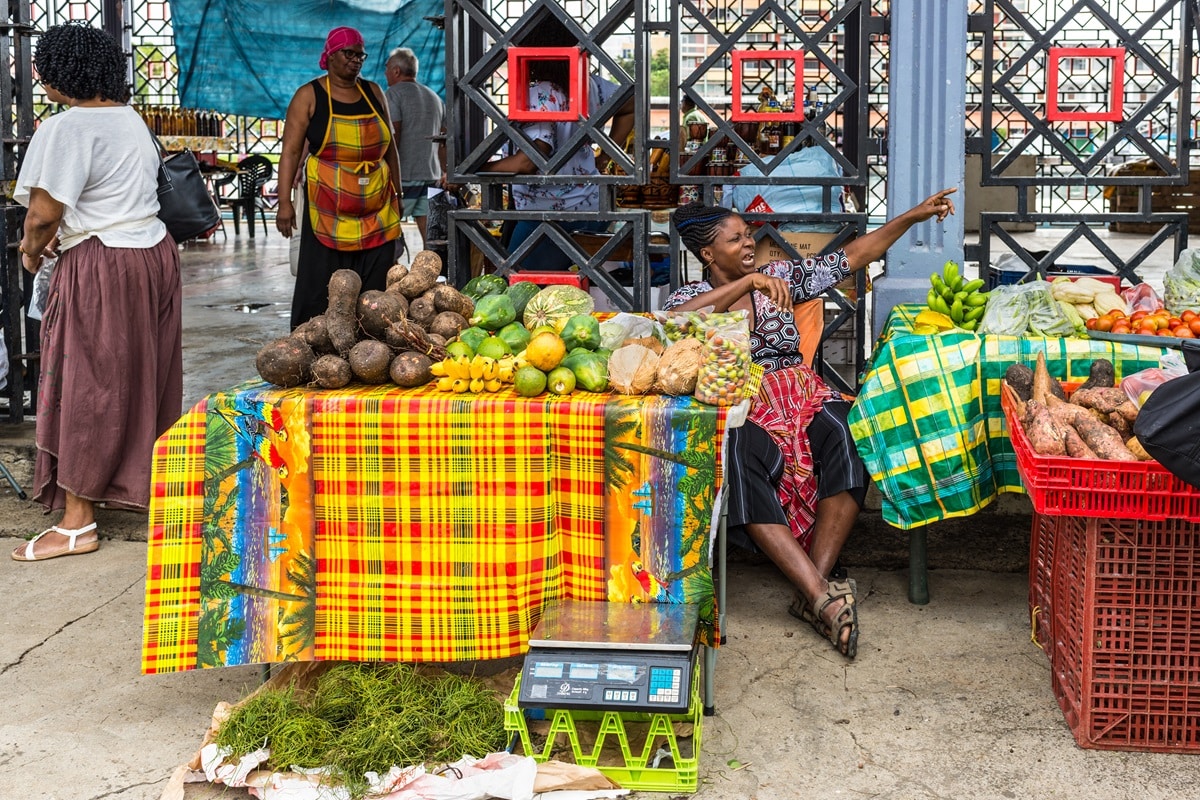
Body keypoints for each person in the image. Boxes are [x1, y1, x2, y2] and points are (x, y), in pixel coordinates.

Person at [665, 189, 956, 657]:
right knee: (734, 454)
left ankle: (812, 591)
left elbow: (855, 255)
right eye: (736, 238)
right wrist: (747, 284)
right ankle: (822, 596)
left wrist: (914, 215)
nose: (748, 243)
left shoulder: (782, 275)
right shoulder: (693, 295)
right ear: (707, 253)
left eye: (749, 235)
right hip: (740, 401)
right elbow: (674, 324)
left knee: (847, 429)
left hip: (799, 391)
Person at [11, 22, 183, 562]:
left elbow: (43, 215)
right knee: (141, 375)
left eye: (43, 68)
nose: (38, 78)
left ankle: (78, 522)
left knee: (86, 383)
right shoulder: (131, 120)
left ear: (63, 71)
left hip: (103, 262)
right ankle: (144, 488)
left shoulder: (66, 129)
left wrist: (30, 253)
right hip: (154, 253)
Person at [479, 17, 634, 271]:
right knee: (569, 292)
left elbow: (530, 159)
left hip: (546, 215)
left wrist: (478, 169)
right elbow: (631, 104)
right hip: (591, 208)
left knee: (523, 292)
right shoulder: (590, 86)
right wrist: (605, 155)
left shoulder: (540, 92)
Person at [275, 26, 402, 329]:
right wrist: (284, 203)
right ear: (330, 55)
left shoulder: (373, 92)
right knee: (320, 285)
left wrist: (399, 192)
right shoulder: (309, 96)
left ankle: (370, 345)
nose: (356, 60)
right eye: (349, 53)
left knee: (375, 287)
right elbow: (290, 152)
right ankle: (310, 344)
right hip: (327, 207)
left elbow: (390, 149)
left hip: (376, 205)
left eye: (361, 54)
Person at [383, 46, 445, 255]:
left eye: (387, 69)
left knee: (389, 236)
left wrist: (387, 171)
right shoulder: (434, 97)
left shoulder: (392, 95)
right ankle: (434, 278)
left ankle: (391, 280)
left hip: (404, 178)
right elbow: (444, 139)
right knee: (431, 239)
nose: (385, 74)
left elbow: (394, 135)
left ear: (396, 71)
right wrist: (444, 172)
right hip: (432, 176)